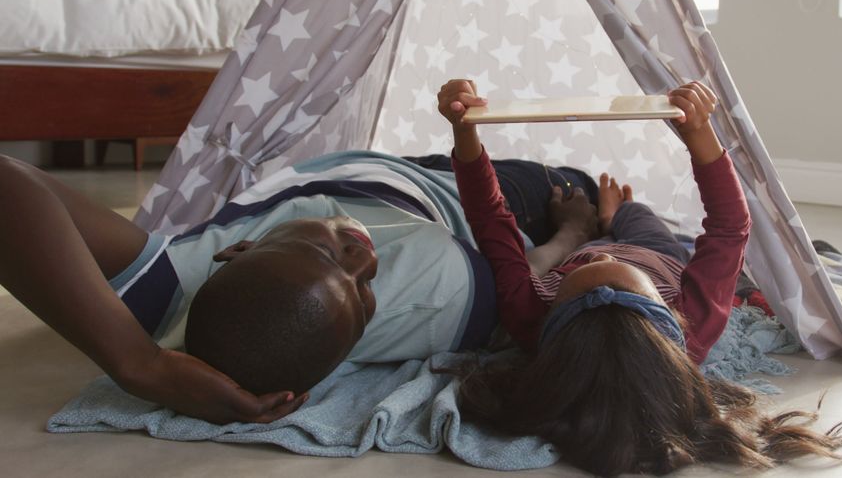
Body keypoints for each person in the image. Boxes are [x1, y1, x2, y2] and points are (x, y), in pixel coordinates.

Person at [437, 79, 842, 475]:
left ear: (555, 317)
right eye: (618, 280)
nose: (601, 262)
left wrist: (464, 132)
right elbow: (728, 227)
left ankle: (588, 229)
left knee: (559, 244)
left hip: (595, 260)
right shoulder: (695, 323)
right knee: (641, 218)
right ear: (666, 311)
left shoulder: (528, 316)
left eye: (584, 274)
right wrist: (699, 135)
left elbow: (492, 221)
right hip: (655, 256)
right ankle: (617, 214)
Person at [0, 148, 599, 424]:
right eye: (366, 295)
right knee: (576, 189)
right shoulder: (446, 298)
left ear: (240, 250)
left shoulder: (161, 292)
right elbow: (527, 277)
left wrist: (139, 364)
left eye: (323, 248)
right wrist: (572, 234)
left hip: (377, 169)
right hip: (452, 197)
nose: (364, 257)